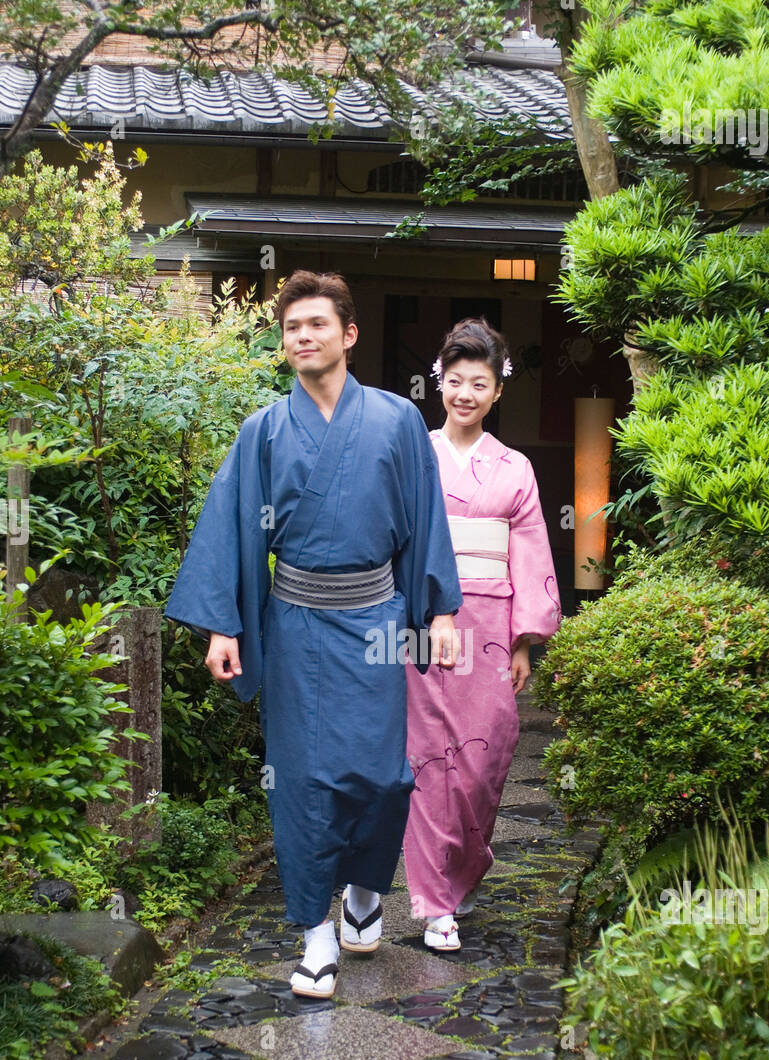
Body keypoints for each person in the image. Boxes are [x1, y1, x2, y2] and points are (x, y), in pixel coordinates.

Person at [164, 271, 462, 997]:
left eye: (317, 324)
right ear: (283, 342)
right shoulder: (262, 430)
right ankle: (316, 935)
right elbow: (233, 530)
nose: (303, 336)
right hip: (294, 623)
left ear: (348, 334)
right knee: (300, 784)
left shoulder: (395, 422)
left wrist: (441, 612)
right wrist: (223, 626)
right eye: (292, 327)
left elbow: (425, 522)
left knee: (382, 778)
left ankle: (364, 889)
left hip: (375, 623)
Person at [403, 317, 562, 951]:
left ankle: (465, 867)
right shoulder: (414, 452)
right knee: (428, 758)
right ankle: (434, 901)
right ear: (439, 382)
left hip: (492, 622)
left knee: (487, 753)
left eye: (480, 383)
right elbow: (398, 540)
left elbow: (529, 552)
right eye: (456, 381)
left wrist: (524, 640)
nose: (465, 394)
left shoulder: (515, 467)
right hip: (423, 622)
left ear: (497, 392)